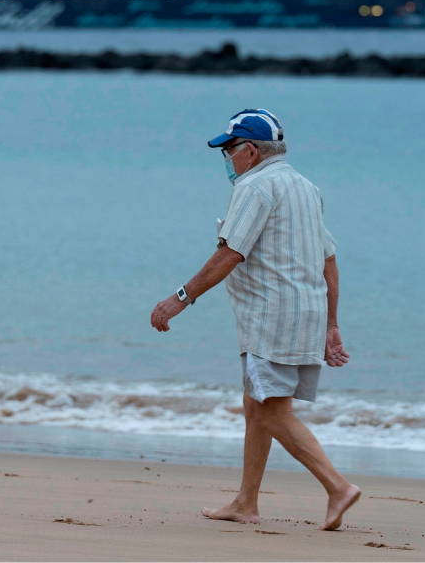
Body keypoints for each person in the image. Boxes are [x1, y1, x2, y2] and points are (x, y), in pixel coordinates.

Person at [149, 109, 361, 530]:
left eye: (228, 151)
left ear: (250, 150)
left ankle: (338, 487)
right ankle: (246, 503)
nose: (226, 160)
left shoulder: (255, 186)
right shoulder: (305, 187)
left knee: (269, 411)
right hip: (305, 312)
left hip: (271, 316)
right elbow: (330, 260)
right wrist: (331, 324)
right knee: (256, 404)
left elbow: (231, 253)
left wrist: (180, 298)